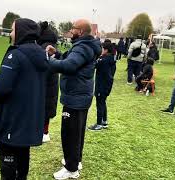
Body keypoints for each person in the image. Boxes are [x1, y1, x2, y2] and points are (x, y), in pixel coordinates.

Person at [0, 18, 48, 180]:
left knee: (8, 162)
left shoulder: (15, 55)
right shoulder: (41, 54)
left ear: (22, 32)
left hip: (12, 119)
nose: (11, 33)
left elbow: (2, 88)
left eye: (13, 29)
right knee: (23, 155)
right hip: (29, 117)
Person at [46, 19, 101, 180]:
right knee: (77, 132)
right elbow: (69, 58)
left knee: (70, 133)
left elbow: (69, 66)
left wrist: (49, 60)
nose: (71, 31)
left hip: (75, 98)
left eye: (73, 29)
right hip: (79, 96)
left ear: (81, 32)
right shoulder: (83, 46)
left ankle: (71, 169)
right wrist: (55, 54)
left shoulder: (83, 47)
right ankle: (75, 161)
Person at [37, 21, 59, 143]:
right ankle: (45, 132)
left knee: (42, 108)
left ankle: (43, 133)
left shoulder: (43, 48)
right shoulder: (53, 46)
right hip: (52, 81)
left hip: (45, 82)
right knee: (47, 108)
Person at [88, 42, 116, 131]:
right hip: (107, 84)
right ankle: (104, 121)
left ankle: (99, 124)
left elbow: (94, 65)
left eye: (102, 49)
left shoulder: (104, 60)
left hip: (102, 84)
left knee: (99, 103)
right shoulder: (111, 59)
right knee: (103, 102)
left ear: (106, 50)